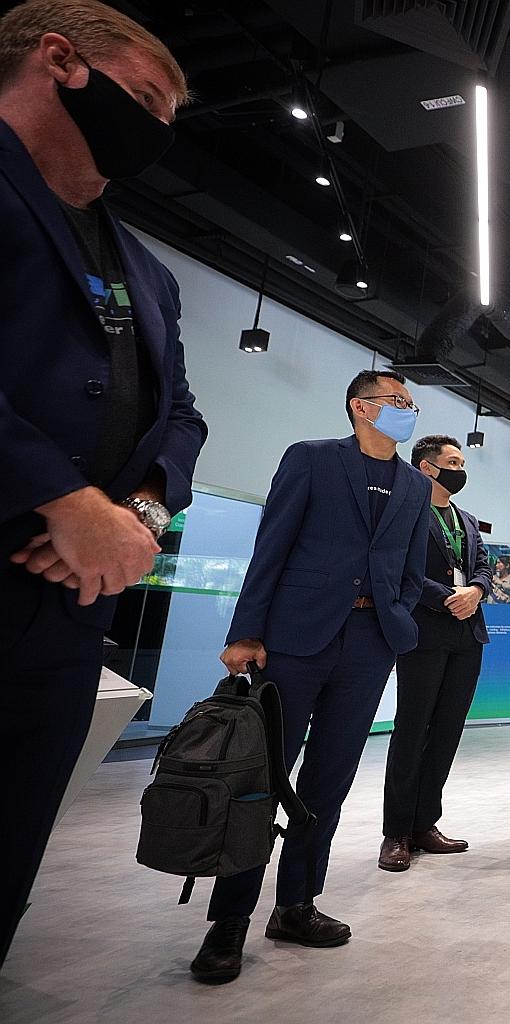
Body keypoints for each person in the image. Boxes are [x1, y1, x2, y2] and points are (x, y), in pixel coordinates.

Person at [0, 1, 204, 971]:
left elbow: (186, 418)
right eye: (149, 100)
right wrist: (62, 497)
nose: (161, 130)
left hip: (69, 607)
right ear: (59, 61)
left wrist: (138, 514)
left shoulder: (149, 273)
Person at [190, 370, 432, 984]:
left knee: (329, 781)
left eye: (410, 403)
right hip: (293, 642)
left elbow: (409, 564)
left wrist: (397, 617)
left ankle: (296, 903)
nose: (406, 411)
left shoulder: (414, 485)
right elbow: (272, 544)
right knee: (262, 775)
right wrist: (245, 632)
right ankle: (230, 920)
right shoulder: (313, 460)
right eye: (394, 402)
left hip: (369, 645)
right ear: (359, 407)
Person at [378, 435, 492, 871]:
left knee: (447, 732)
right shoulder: (407, 512)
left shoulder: (466, 518)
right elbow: (398, 570)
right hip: (424, 632)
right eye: (453, 461)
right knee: (412, 731)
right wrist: (447, 596)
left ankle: (426, 823)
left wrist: (476, 591)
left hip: (467, 636)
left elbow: (483, 564)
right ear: (427, 467)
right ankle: (397, 832)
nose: (461, 469)